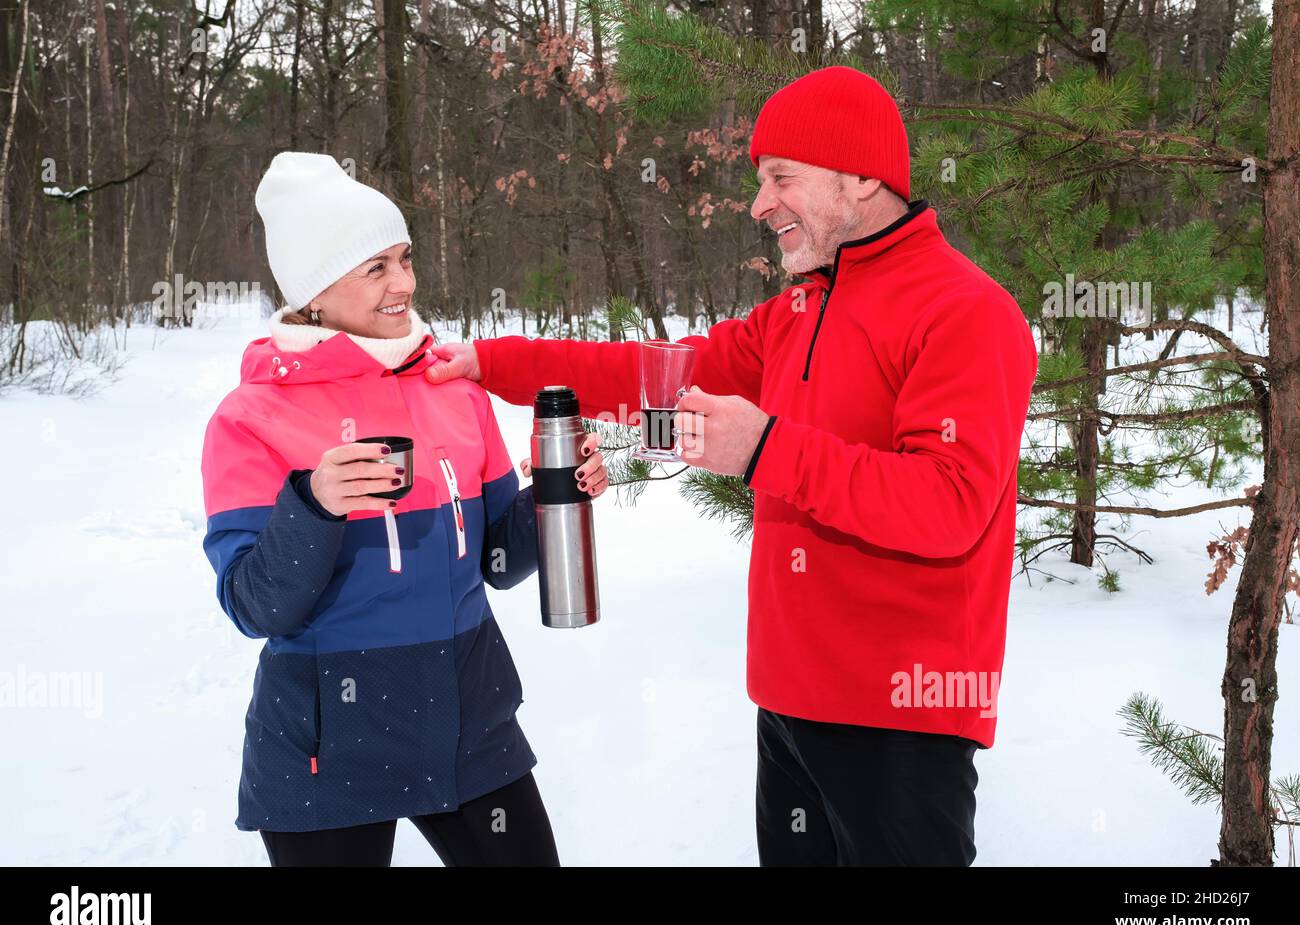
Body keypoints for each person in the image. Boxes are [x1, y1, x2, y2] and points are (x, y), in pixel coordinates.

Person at [425, 67, 1039, 866]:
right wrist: (489, 361)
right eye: (758, 181)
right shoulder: (798, 311)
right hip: (788, 703)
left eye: (782, 177)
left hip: (901, 719)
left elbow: (949, 504)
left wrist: (764, 449)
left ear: (860, 178)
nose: (759, 204)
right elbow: (650, 373)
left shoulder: (966, 311)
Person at [200, 152, 608, 866]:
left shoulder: (453, 388)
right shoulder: (249, 418)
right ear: (315, 290)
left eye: (405, 258)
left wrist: (555, 490)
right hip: (328, 756)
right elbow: (253, 606)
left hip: (470, 731)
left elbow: (497, 564)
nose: (406, 284)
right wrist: (314, 504)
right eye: (376, 268)